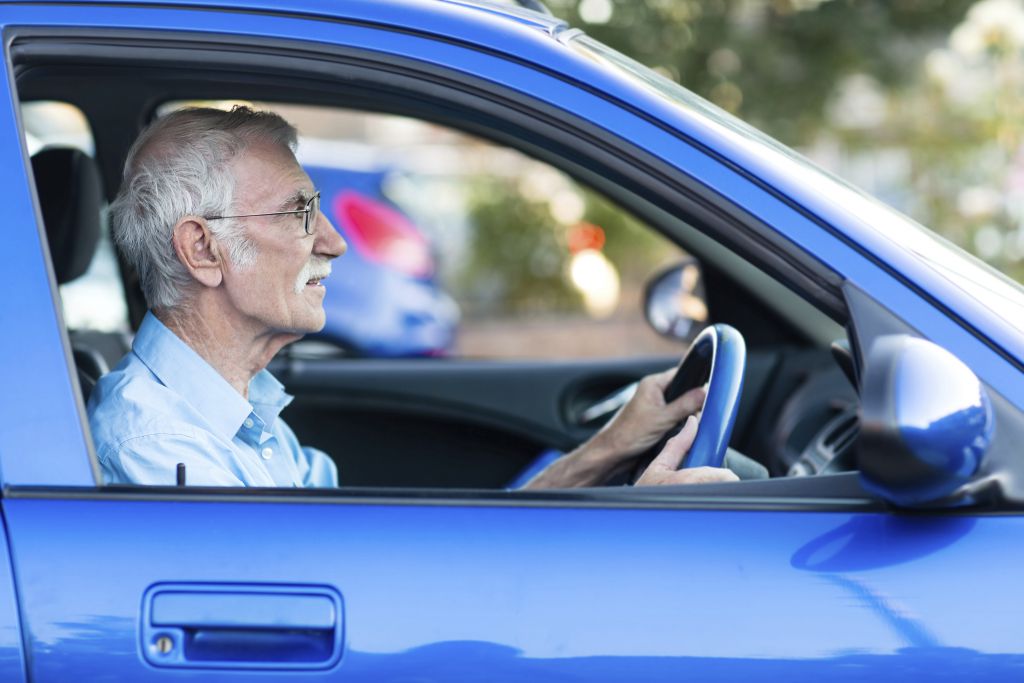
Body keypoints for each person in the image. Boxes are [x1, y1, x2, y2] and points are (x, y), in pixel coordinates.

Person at [87, 106, 739, 489]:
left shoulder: (233, 414)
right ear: (203, 250)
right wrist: (630, 533)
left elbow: (392, 578)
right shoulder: (161, 449)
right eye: (299, 214)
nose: (336, 243)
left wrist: (606, 450)